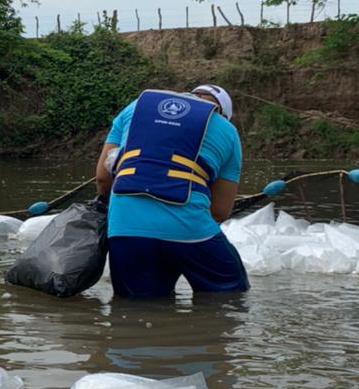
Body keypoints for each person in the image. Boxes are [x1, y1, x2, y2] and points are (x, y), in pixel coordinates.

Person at [94, 83, 248, 298]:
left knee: (136, 310)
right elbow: (220, 211)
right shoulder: (226, 130)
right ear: (222, 112)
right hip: (189, 230)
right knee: (230, 297)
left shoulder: (134, 108)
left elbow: (103, 179)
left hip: (125, 228)